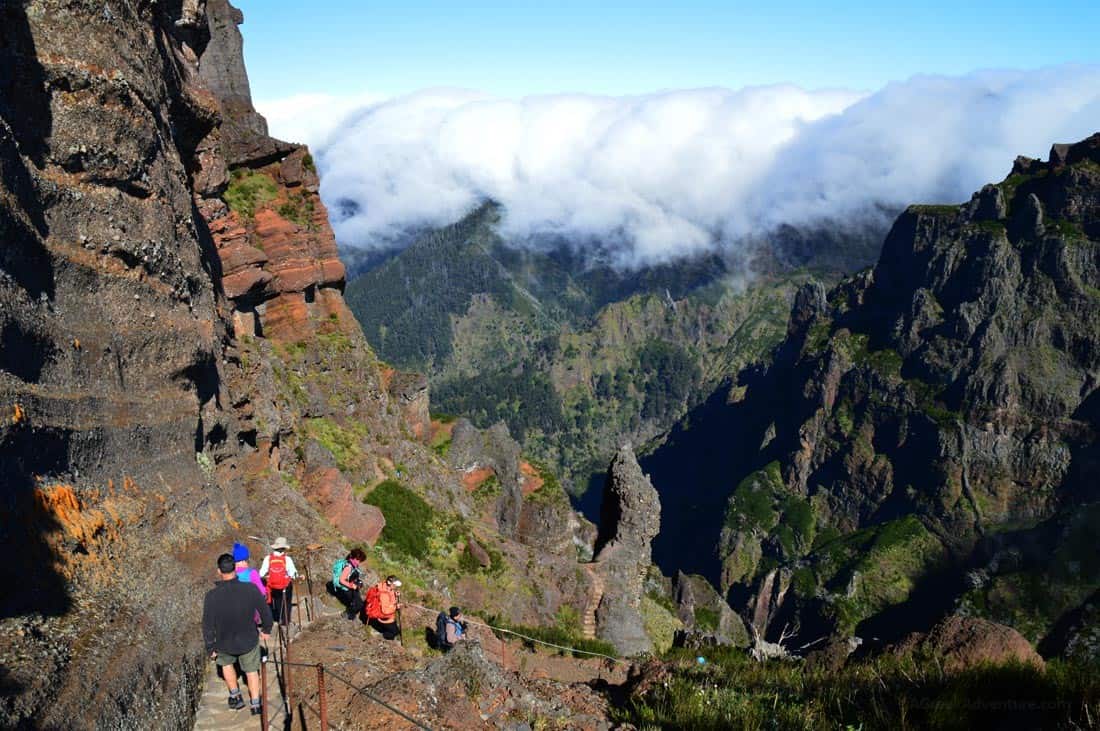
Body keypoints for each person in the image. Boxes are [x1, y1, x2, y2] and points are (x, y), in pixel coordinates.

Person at [202, 553, 274, 716]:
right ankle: (255, 705)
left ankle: (235, 696)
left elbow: (207, 624)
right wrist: (267, 629)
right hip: (248, 638)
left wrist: (210, 646)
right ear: (235, 568)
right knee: (251, 671)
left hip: (223, 640)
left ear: (219, 571)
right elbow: (265, 611)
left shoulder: (211, 596)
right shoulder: (250, 589)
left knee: (226, 666)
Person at [259, 537, 298, 626]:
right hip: (285, 585)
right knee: (287, 601)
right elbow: (293, 574)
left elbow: (261, 573)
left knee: (277, 600)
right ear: (284, 549)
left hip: (273, 585)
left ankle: (277, 617)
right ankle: (286, 620)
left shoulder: (268, 558)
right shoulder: (287, 559)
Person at [331, 548, 365, 620]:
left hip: (350, 586)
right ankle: (347, 614)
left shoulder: (353, 564)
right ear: (355, 558)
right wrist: (351, 585)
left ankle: (352, 609)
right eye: (360, 560)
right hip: (345, 588)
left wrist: (358, 582)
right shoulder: (348, 567)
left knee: (358, 602)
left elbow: (351, 576)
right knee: (359, 604)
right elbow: (341, 580)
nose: (360, 562)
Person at [366, 575, 402, 640]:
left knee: (396, 630)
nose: (396, 586)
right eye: (394, 584)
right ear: (389, 582)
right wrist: (396, 607)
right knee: (395, 633)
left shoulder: (387, 588)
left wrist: (395, 595)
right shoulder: (384, 595)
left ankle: (381, 627)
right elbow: (385, 611)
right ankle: (383, 635)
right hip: (384, 617)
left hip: (388, 616)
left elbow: (390, 599)